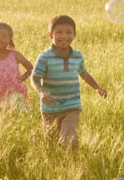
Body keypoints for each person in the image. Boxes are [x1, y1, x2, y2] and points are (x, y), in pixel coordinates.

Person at [32, 15, 108, 148]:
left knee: (68, 139)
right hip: (50, 107)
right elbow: (35, 77)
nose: (64, 36)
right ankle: (58, 166)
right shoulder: (45, 57)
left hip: (72, 105)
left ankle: (73, 162)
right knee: (51, 144)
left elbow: (84, 73)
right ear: (50, 35)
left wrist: (97, 87)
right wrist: (41, 92)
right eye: (59, 32)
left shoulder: (77, 56)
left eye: (68, 32)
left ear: (74, 35)